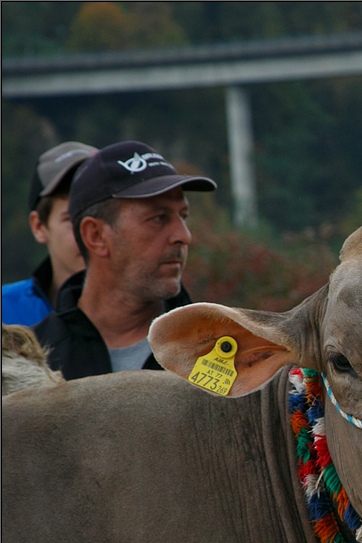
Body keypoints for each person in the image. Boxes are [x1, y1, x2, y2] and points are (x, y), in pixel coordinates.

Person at [34, 140, 216, 380]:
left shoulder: (218, 349)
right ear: (96, 236)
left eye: (183, 216)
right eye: (159, 218)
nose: (184, 236)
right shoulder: (32, 361)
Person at [2, 141, 97, 326]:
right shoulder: (5, 312)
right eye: (73, 219)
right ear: (38, 226)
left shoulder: (152, 312)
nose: (92, 235)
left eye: (102, 217)